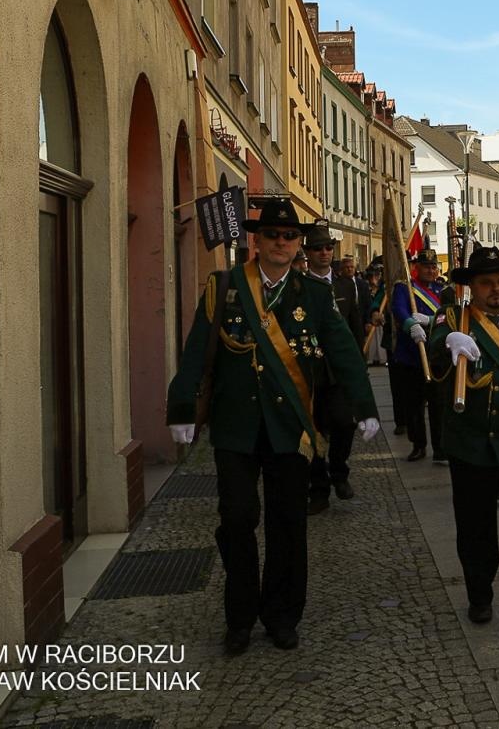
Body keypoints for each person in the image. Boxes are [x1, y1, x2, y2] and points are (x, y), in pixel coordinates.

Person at [166, 198, 381, 655]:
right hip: (236, 426)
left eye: (289, 237)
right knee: (238, 520)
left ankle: (283, 615)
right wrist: (182, 405)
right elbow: (197, 347)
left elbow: (343, 352)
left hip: (290, 429)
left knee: (288, 524)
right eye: (272, 236)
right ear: (256, 240)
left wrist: (365, 406)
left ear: (298, 244)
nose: (280, 243)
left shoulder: (316, 295)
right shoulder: (223, 288)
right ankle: (239, 617)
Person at [428, 244, 499, 624]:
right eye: (487, 283)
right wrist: (447, 342)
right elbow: (435, 353)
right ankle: (479, 594)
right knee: (475, 527)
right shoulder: (455, 317)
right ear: (472, 286)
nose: (496, 289)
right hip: (470, 442)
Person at [303, 224, 368, 514]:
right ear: (308, 253)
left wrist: (359, 366)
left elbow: (354, 326)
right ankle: (318, 488)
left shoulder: (344, 285)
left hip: (340, 369)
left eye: (329, 247)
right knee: (315, 430)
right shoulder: (298, 285)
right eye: (318, 248)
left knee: (345, 423)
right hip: (312, 370)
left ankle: (339, 472)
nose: (325, 253)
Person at [390, 249, 445, 461]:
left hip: (436, 356)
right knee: (413, 405)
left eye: (433, 267)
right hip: (411, 356)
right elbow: (399, 309)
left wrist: (431, 321)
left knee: (438, 405)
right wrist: (410, 324)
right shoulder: (405, 289)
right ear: (416, 268)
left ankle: (440, 449)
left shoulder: (442, 290)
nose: (431, 270)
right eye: (426, 266)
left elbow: (448, 315)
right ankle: (418, 445)